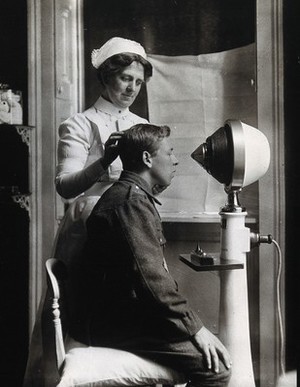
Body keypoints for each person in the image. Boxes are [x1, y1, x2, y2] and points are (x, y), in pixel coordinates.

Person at [68, 123, 232, 387]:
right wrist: (195, 328)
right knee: (217, 368)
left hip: (120, 317)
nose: (176, 160)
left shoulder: (131, 197)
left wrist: (191, 326)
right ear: (147, 158)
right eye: (169, 153)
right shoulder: (131, 203)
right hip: (113, 324)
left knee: (210, 346)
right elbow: (153, 281)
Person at [52, 36, 153, 262]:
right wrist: (104, 162)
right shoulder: (79, 124)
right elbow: (64, 186)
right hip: (89, 223)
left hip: (134, 220)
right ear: (107, 77)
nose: (132, 89)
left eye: (138, 82)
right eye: (125, 78)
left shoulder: (144, 126)